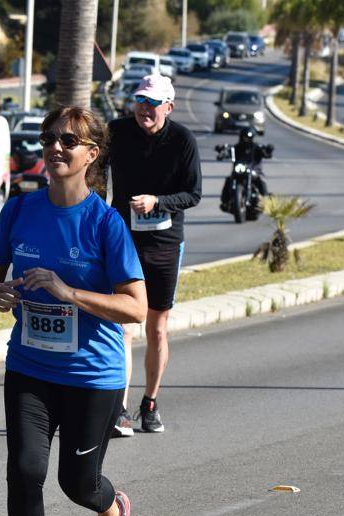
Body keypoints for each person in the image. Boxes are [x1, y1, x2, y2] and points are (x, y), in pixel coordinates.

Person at [0, 106, 147, 516]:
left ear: (91, 154)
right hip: (30, 366)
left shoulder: (105, 223)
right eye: (50, 138)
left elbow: (135, 306)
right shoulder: (19, 211)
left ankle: (112, 512)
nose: (55, 147)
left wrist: (67, 290)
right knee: (25, 471)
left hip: (93, 374)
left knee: (78, 484)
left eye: (68, 141)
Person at [107, 73, 201, 437]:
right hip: (124, 239)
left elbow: (193, 194)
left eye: (153, 102)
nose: (145, 109)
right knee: (123, 326)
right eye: (140, 101)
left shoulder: (182, 140)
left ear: (169, 106)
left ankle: (150, 402)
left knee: (157, 328)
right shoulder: (117, 131)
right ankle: (119, 408)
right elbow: (94, 166)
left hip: (164, 243)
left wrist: (157, 202)